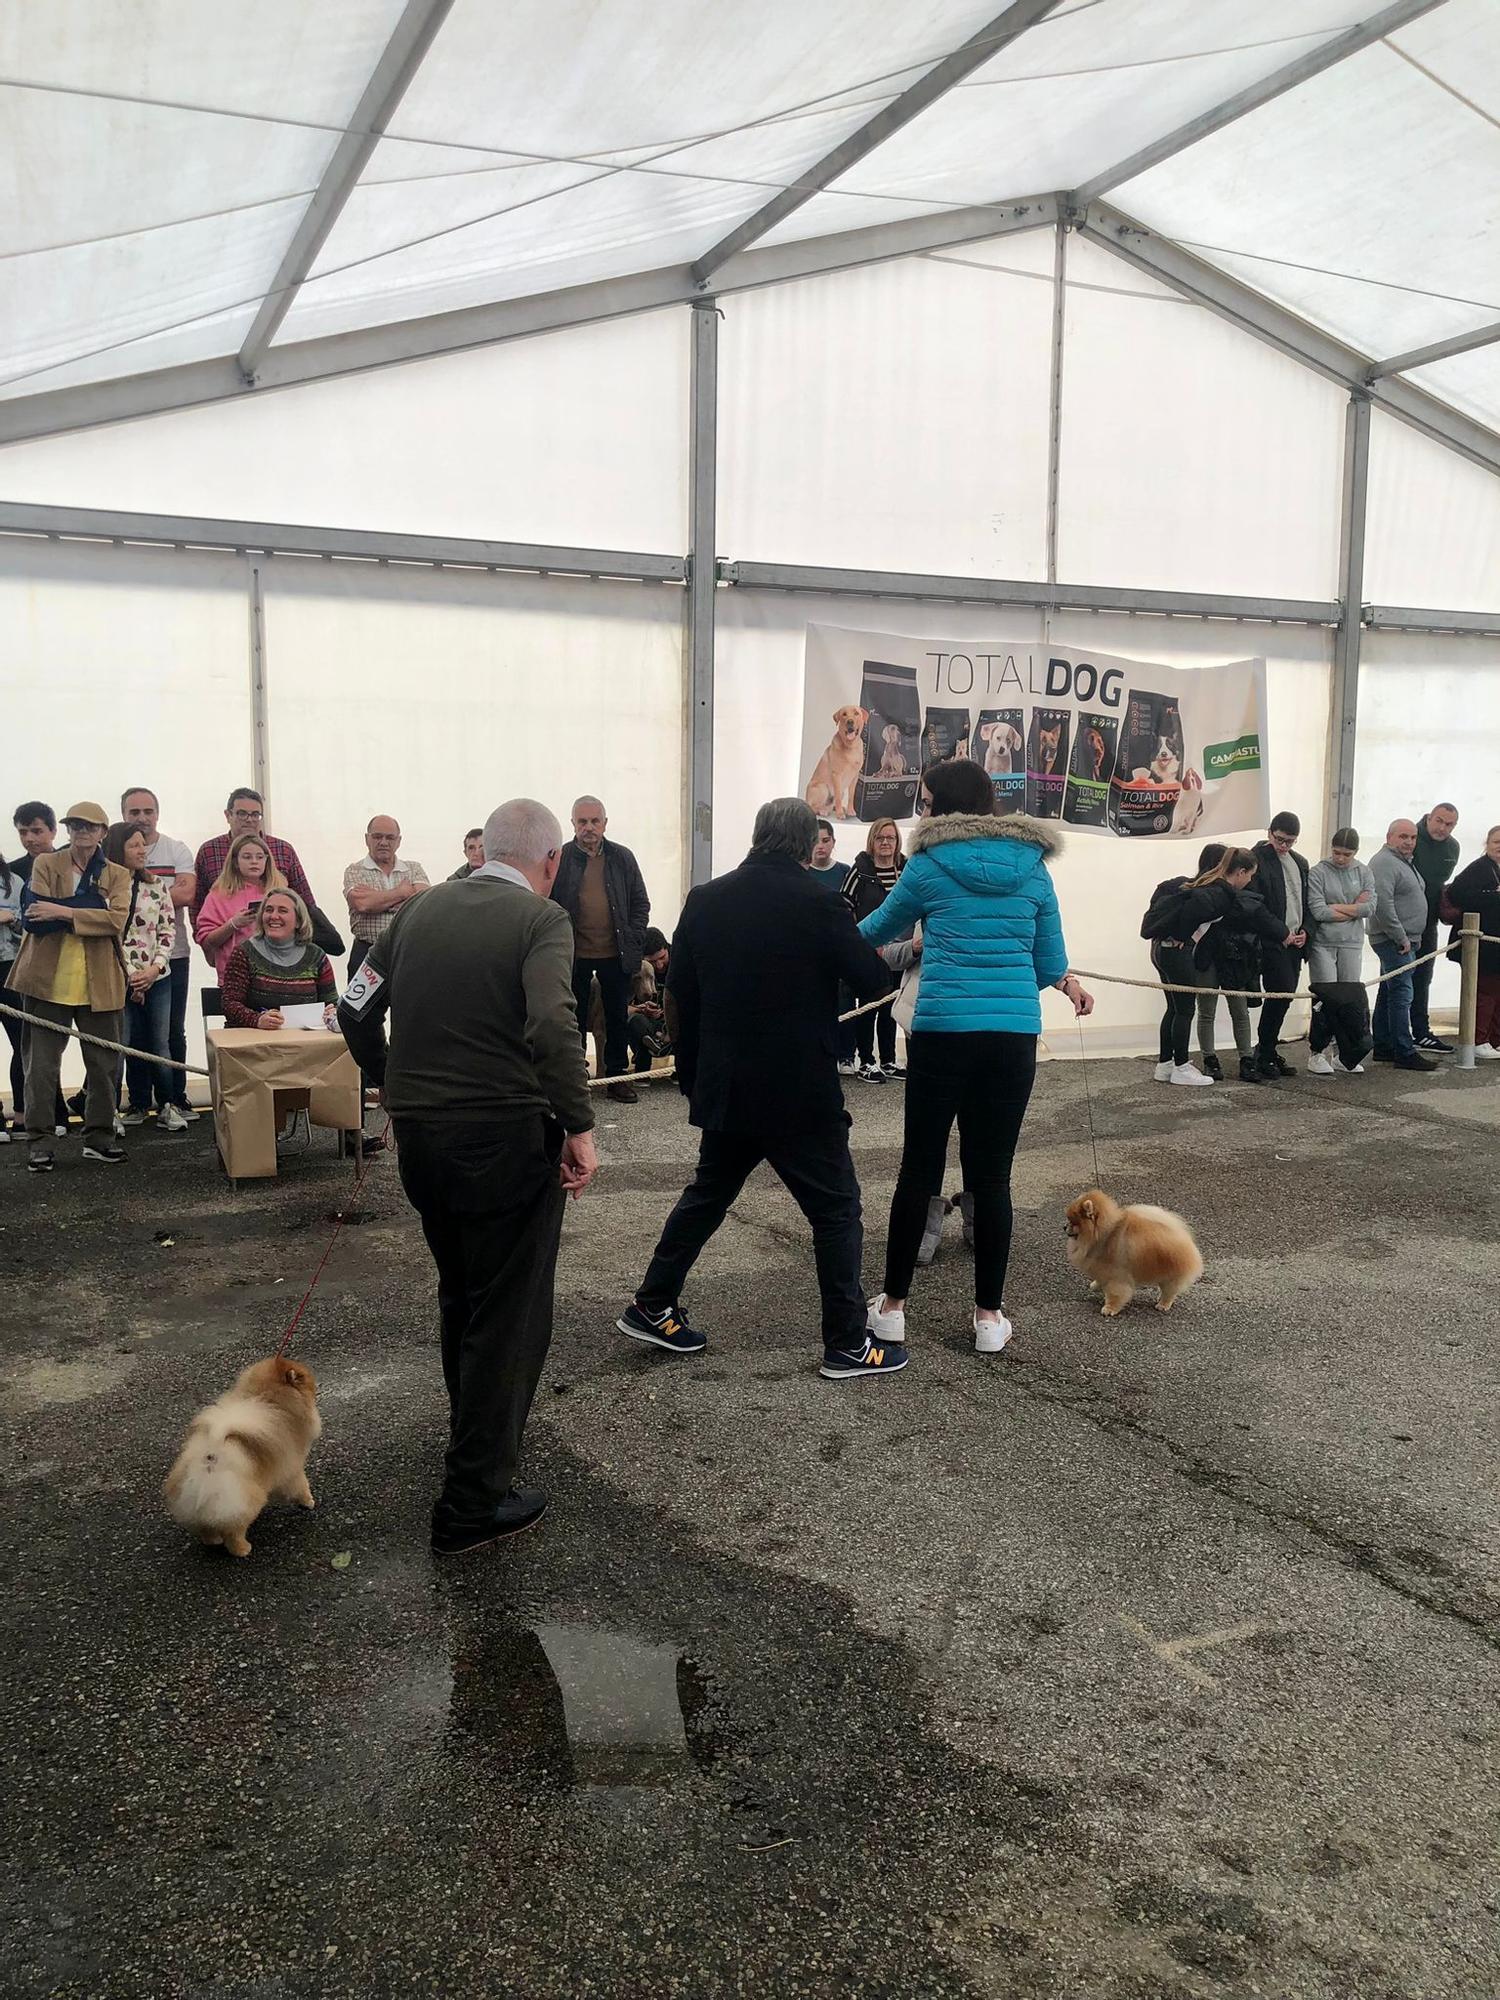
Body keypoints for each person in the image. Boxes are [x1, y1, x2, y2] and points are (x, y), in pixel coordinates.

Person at [337, 799, 599, 1556]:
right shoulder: (539, 921)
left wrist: (388, 1078)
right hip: (503, 1138)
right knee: (509, 1316)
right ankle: (471, 1502)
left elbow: (354, 1009)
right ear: (549, 861)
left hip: (421, 1138)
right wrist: (578, 1125)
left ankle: (472, 1443)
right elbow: (553, 1024)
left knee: (463, 1295)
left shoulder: (415, 913)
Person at [616, 798, 902, 1380]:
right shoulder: (821, 902)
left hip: (727, 1084)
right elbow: (873, 977)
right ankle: (848, 1341)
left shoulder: (706, 898)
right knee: (836, 1209)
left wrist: (690, 1074)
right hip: (799, 1088)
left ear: (755, 835)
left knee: (708, 1195)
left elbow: (681, 994)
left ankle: (652, 1303)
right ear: (804, 846)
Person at [857, 760, 1092, 1354]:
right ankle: (989, 1318)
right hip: (1011, 1037)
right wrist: (1065, 985)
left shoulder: (928, 864)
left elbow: (874, 930)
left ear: (946, 808)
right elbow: (1047, 962)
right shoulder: (1035, 868)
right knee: (992, 1178)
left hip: (941, 1032)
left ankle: (891, 1309)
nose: (922, 809)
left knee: (919, 1169)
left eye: (928, 799)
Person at [10, 803, 132, 1172]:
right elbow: (35, 917)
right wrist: (90, 907)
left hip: (100, 982)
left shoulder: (119, 874)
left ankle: (99, 1137)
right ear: (66, 830)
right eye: (74, 824)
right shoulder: (46, 864)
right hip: (46, 981)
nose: (80, 830)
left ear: (102, 832)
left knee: (103, 1065)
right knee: (41, 1067)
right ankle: (40, 1143)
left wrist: (61, 910)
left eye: (88, 825)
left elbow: (116, 921)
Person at [550, 796, 651, 1105]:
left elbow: (640, 903)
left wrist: (633, 940)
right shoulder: (560, 858)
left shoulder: (623, 858)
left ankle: (617, 1078)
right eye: (583, 822)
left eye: (595, 821)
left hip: (615, 953)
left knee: (616, 1016)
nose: (589, 828)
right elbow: (546, 902)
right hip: (573, 954)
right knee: (573, 1018)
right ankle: (576, 1080)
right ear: (573, 825)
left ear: (605, 823)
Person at [1145, 846, 1265, 1087]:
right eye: (1250, 875)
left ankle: (1165, 1064)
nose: (1250, 880)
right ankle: (1180, 1066)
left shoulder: (1208, 882)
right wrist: (1181, 936)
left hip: (1162, 949)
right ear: (1240, 872)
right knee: (1185, 1010)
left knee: (1174, 1008)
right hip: (1177, 950)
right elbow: (1193, 910)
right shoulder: (1221, 892)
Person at [121, 788, 200, 1124]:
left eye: (148, 811)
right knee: (131, 1036)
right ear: (124, 813)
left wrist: (151, 891)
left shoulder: (176, 849)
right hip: (123, 967)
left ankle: (175, 1100)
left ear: (158, 812)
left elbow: (187, 892)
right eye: (134, 811)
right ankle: (138, 1102)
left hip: (171, 958)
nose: (142, 817)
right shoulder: (112, 857)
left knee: (169, 1032)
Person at [103, 822, 185, 1132]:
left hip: (157, 977)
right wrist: (130, 975)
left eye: (143, 845)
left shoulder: (158, 886)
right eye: (134, 845)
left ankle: (166, 1103)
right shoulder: (104, 888)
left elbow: (167, 930)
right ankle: (109, 1109)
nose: (142, 850)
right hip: (117, 977)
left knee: (159, 1042)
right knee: (119, 1044)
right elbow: (108, 934)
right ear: (117, 850)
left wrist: (154, 969)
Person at [1187, 841, 1285, 1084]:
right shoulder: (1208, 891)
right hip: (1217, 955)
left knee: (1226, 1011)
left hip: (1230, 955)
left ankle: (1237, 1058)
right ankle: (1225, 1059)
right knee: (1220, 1010)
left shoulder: (1230, 893)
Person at [5, 801, 67, 1137]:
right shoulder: (12, 873)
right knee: (28, 1043)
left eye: (37, 831)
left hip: (63, 963)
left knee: (56, 1040)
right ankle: (26, 1110)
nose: (30, 838)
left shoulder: (70, 865)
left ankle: (57, 1110)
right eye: (23, 832)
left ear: (53, 831)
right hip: (21, 966)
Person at [1368, 819, 1440, 1073]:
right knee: (1401, 992)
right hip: (1394, 940)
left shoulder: (1402, 862)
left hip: (1405, 939)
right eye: (1403, 837)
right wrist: (1400, 937)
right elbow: (1383, 904)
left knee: (1390, 991)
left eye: (1412, 837)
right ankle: (1404, 1050)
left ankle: (1385, 1044)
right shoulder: (1384, 862)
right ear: (1389, 837)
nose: (1409, 842)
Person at [1305, 827, 1376, 1078]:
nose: (1341, 858)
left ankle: (1343, 1052)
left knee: (1349, 999)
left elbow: (1369, 908)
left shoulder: (1363, 871)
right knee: (1325, 998)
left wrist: (1336, 907)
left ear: (1355, 853)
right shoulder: (1318, 872)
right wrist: (1352, 908)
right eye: (1336, 852)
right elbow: (1318, 911)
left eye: (1347, 854)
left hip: (1352, 943)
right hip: (1323, 943)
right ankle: (1317, 1051)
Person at [840, 817, 906, 1080]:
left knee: (891, 1007)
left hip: (901, 952)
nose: (886, 843)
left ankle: (888, 1059)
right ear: (872, 841)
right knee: (868, 1007)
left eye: (890, 838)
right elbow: (845, 905)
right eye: (881, 838)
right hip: (869, 951)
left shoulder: (907, 868)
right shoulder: (860, 871)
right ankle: (866, 1060)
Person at [220, 889, 337, 1030]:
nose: (273, 916)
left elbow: (331, 1003)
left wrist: (332, 1012)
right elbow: (230, 1004)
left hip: (303, 1044)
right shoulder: (244, 953)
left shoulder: (316, 956)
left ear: (298, 921)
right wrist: (257, 1020)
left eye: (282, 911)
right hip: (252, 1043)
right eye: (268, 910)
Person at [1250, 811, 1311, 1077]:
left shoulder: (1300, 862)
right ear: (1269, 833)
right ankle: (1264, 1050)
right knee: (1279, 994)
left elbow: (1307, 900)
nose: (1283, 846)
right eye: (1279, 839)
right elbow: (1255, 904)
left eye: (1290, 841)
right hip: (1271, 940)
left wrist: (1306, 930)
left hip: (1295, 940)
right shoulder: (1256, 859)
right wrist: (1281, 932)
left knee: (1284, 997)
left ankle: (1267, 1048)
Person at [193, 788, 314, 919]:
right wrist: (207, 936)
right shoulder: (209, 851)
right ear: (228, 815)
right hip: (226, 935)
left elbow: (305, 900)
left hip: (277, 932)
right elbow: (197, 903)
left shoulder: (283, 850)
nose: (249, 819)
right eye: (242, 814)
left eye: (255, 814)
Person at [343, 815, 430, 973]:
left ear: (398, 841)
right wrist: (402, 892)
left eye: (390, 837)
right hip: (366, 954)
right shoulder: (354, 870)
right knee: (365, 999)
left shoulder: (414, 868)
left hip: (407, 953)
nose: (383, 842)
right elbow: (363, 904)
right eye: (377, 836)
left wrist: (379, 899)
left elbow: (423, 904)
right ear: (367, 839)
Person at [194, 834, 285, 980]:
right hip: (235, 975)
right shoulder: (219, 894)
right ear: (235, 862)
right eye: (247, 857)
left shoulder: (281, 891)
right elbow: (207, 939)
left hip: (277, 971)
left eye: (260, 857)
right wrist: (233, 924)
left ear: (267, 860)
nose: (254, 862)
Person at [1445, 825, 1500, 1058]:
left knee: (1497, 994)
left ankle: (1495, 1039)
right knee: (1485, 993)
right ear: (1487, 843)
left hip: (1495, 943)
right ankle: (1478, 1039)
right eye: (1497, 842)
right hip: (1480, 944)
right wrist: (1494, 895)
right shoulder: (1478, 869)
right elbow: (1457, 893)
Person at [1410, 802, 1460, 1054]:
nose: (1442, 827)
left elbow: (1439, 882)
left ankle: (1420, 1031)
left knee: (1423, 978)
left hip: (1429, 922)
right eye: (1439, 821)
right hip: (1405, 922)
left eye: (1449, 824)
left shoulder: (1453, 847)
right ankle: (1389, 1036)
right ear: (1429, 817)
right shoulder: (1411, 836)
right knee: (1396, 981)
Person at [810, 817, 859, 1072]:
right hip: (809, 949)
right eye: (816, 841)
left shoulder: (845, 872)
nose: (821, 846)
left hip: (838, 946)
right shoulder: (801, 873)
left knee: (845, 999)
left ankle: (847, 1055)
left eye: (826, 840)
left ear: (833, 842)